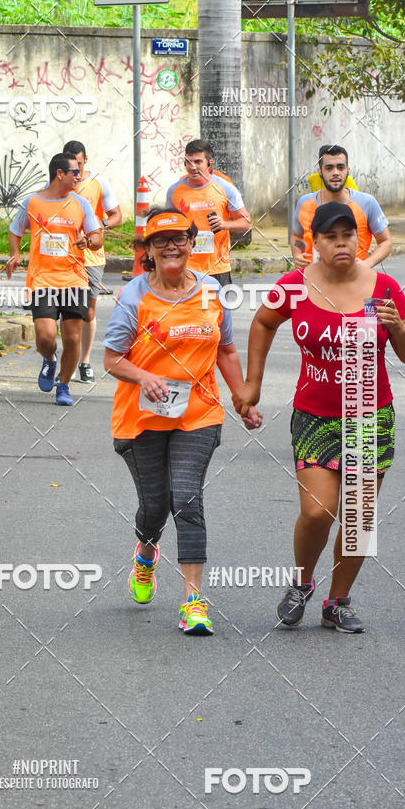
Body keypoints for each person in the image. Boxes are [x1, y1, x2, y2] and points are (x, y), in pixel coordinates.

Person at [235, 202, 405, 633]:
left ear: (359, 239)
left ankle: (337, 601)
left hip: (368, 416)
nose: (341, 243)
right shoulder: (295, 286)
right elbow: (263, 323)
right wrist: (253, 383)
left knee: (357, 518)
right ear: (313, 243)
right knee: (318, 512)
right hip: (315, 416)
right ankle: (301, 583)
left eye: (348, 235)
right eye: (330, 237)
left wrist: (396, 327)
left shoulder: (384, 289)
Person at [104, 207, 261, 635]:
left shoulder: (212, 292)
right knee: (155, 508)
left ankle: (193, 601)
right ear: (148, 252)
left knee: (187, 499)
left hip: (199, 412)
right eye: (160, 241)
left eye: (179, 239)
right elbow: (112, 359)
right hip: (141, 418)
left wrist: (241, 398)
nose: (171, 246)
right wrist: (145, 376)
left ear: (193, 244)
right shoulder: (134, 297)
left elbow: (226, 350)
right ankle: (145, 553)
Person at [6, 152, 102, 405]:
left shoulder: (81, 204)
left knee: (72, 338)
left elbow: (97, 236)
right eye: (74, 172)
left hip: (74, 279)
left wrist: (88, 241)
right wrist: (15, 254)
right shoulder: (32, 202)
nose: (79, 176)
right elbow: (15, 231)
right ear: (60, 174)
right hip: (42, 279)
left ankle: (65, 385)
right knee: (45, 337)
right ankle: (49, 360)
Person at [63, 140, 123, 384]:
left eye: (78, 163)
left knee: (88, 311)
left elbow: (117, 215)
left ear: (85, 160)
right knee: (66, 311)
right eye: (70, 164)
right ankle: (66, 360)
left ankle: (84, 362)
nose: (75, 169)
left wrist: (100, 226)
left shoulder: (98, 182)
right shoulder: (58, 183)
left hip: (91, 256)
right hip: (63, 257)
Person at [166, 139, 253, 286]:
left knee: (218, 309)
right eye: (188, 162)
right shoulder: (174, 191)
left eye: (198, 162)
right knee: (186, 309)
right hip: (184, 267)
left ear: (210, 162)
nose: (192, 167)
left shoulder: (225, 188)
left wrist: (224, 224)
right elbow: (168, 226)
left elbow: (246, 223)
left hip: (217, 267)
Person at [292, 145, 391, 268]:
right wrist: (297, 254)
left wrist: (367, 263)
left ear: (348, 170)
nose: (335, 173)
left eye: (340, 167)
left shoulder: (367, 202)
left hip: (353, 282)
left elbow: (386, 242)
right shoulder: (304, 203)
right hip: (313, 281)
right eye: (329, 168)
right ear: (320, 171)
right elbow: (296, 236)